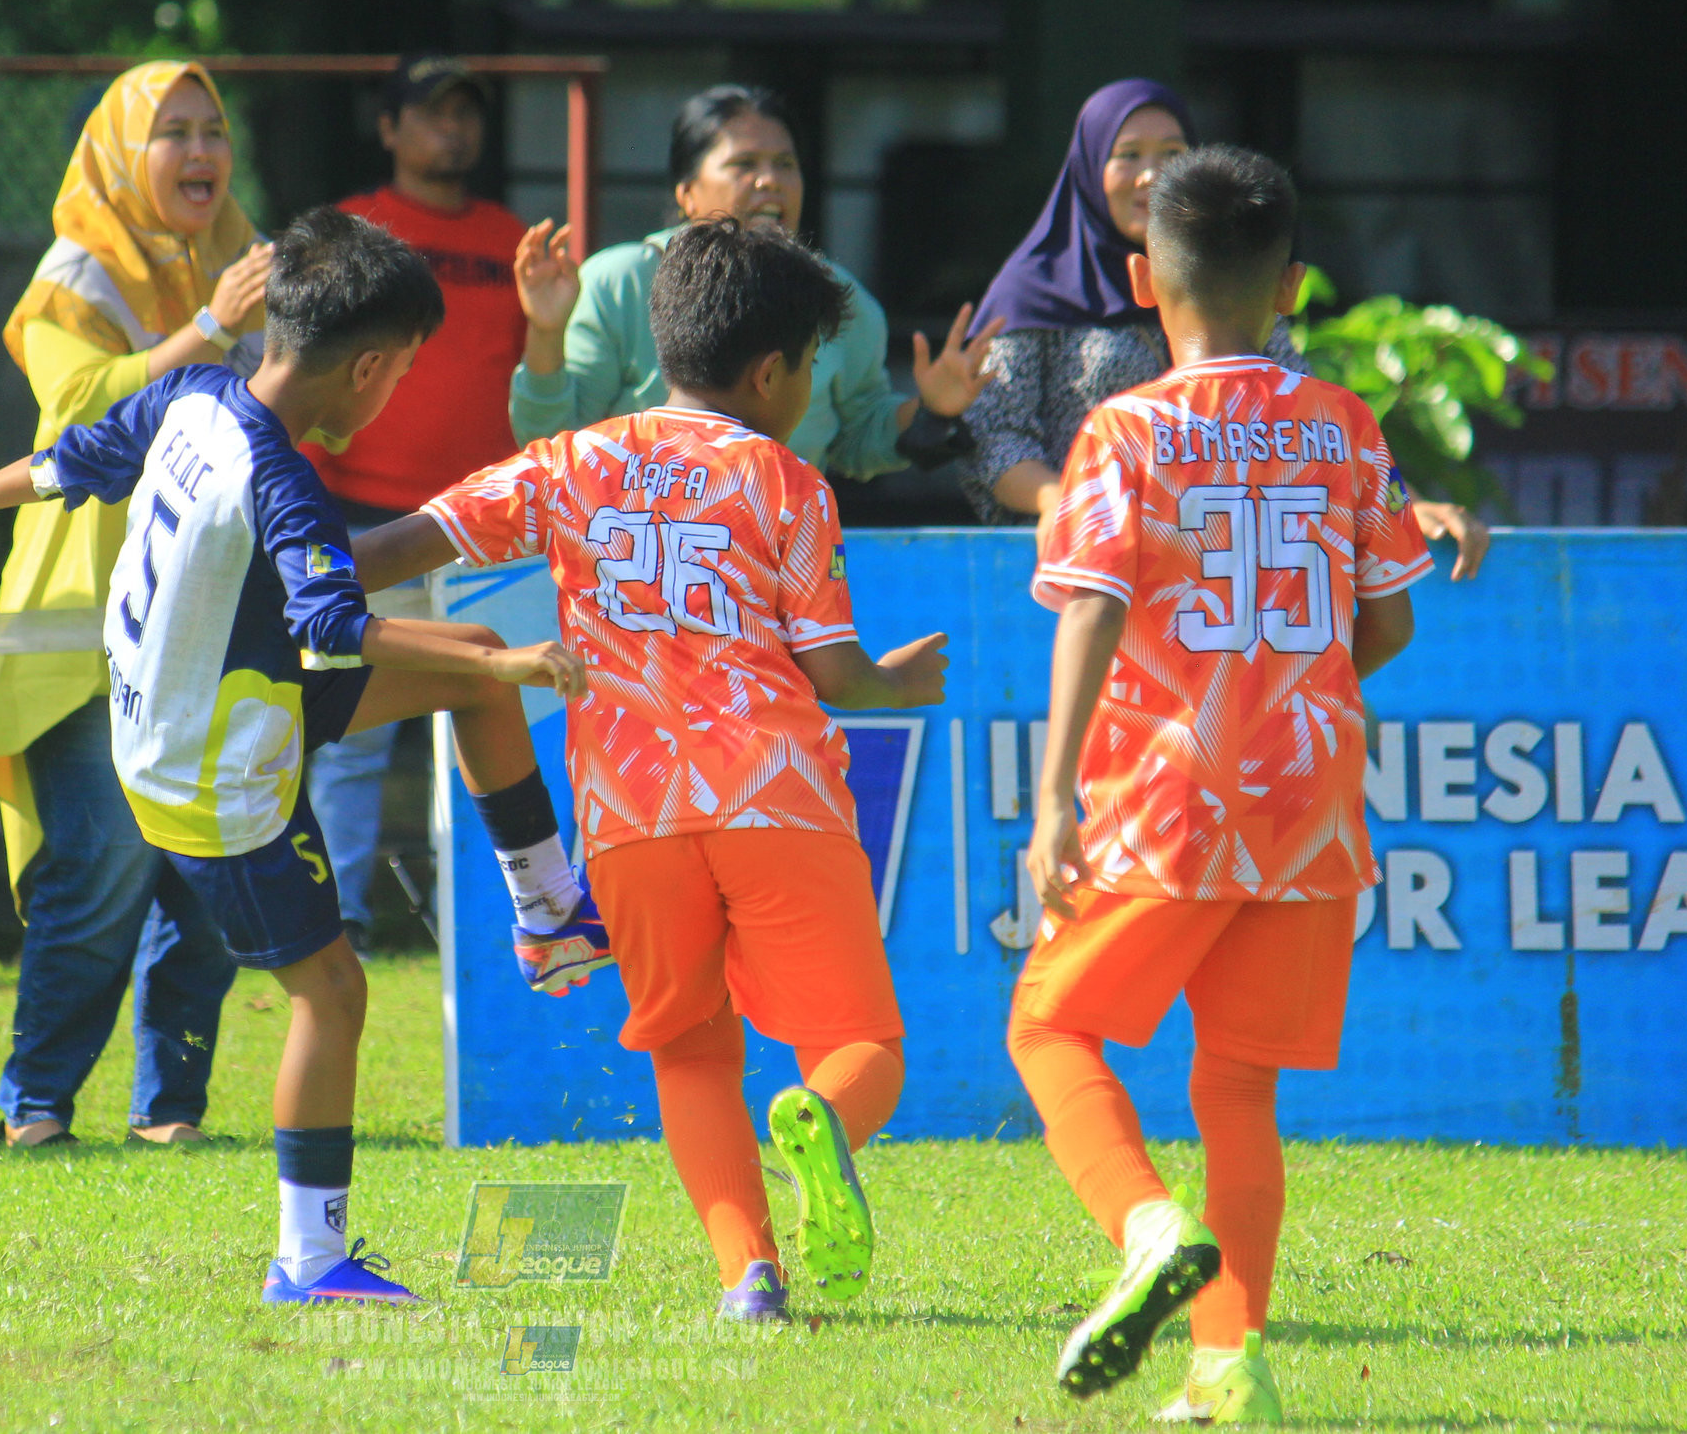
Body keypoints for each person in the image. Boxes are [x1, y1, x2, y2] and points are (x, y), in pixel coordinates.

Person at [0, 207, 609, 1306]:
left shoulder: (197, 395)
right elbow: (330, 620)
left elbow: (61, 464)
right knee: (331, 991)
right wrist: (522, 662)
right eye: (404, 372)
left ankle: (550, 912)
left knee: (462, 659)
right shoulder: (281, 478)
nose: (397, 392)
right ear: (367, 369)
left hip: (210, 708)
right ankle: (309, 1259)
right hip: (214, 770)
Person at [356, 218, 950, 1323]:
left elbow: (398, 546)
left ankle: (748, 1279)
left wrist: (281, 567)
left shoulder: (572, 459)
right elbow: (833, 675)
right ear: (770, 372)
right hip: (775, 796)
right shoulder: (788, 480)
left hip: (628, 817)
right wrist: (900, 683)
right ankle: (818, 1119)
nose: (809, 386)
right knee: (861, 1046)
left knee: (687, 1050)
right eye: (812, 367)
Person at [1013, 147, 1427, 1420]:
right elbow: (1389, 622)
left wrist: (1052, 799)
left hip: (1168, 794)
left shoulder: (1123, 428)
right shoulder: (1344, 422)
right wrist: (1299, 680)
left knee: (1046, 1027)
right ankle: (1223, 1366)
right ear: (1291, 283)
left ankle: (1143, 1227)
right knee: (1238, 1087)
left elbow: (1088, 603)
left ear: (1143, 279)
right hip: (1311, 806)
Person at [0, 61, 272, 1148]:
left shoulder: (247, 263)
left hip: (218, 611)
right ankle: (37, 1105)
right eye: (172, 132)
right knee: (102, 865)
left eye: (214, 130)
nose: (200, 153)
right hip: (86, 616)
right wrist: (204, 330)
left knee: (206, 873)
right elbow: (77, 413)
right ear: (117, 151)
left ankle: (169, 1110)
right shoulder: (74, 276)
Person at [960, 77, 1491, 579]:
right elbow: (994, 434)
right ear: (1088, 169)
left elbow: (1309, 413)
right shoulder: (1030, 293)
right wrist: (1063, 498)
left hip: (1218, 566)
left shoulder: (1226, 275)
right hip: (1078, 562)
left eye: (1172, 155)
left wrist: (1411, 505)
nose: (1151, 175)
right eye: (1128, 156)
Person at [301, 53, 569, 953]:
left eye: (466, 113)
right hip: (359, 520)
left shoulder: (515, 239)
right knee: (350, 734)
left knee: (495, 705)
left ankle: (490, 920)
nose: (452, 128)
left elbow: (541, 381)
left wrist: (546, 318)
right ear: (387, 129)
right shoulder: (355, 231)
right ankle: (339, 916)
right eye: (430, 112)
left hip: (482, 529)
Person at [509, 83, 995, 486]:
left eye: (785, 164)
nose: (770, 180)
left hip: (780, 562)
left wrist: (930, 409)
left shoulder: (841, 300)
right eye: (745, 164)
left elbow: (858, 442)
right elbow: (552, 442)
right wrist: (545, 333)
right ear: (686, 193)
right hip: (632, 560)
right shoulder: (619, 283)